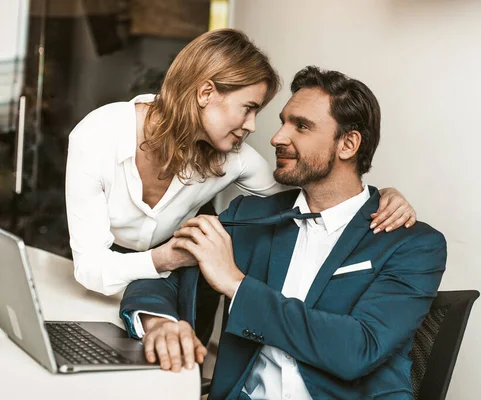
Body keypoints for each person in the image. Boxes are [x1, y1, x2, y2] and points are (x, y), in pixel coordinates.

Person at [120, 66, 446, 400]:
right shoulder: (250, 216)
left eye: (301, 126)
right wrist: (158, 322)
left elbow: (358, 349)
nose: (277, 137)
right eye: (283, 121)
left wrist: (236, 284)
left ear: (347, 144)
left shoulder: (412, 244)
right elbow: (162, 271)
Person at [65, 29, 416, 296]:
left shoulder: (235, 159)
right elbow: (90, 266)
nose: (253, 127)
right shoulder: (99, 137)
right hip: (99, 286)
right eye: (249, 108)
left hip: (172, 292)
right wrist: (163, 258)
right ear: (206, 93)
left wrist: (381, 196)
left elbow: (309, 198)